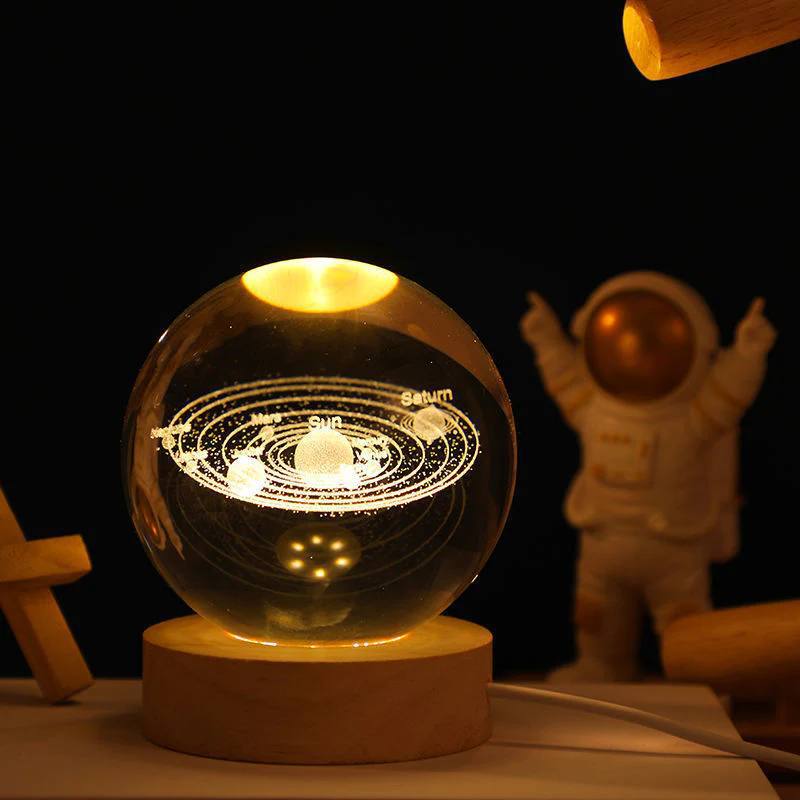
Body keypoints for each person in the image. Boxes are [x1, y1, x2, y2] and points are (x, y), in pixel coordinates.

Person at [520, 272, 776, 681]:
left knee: (684, 623)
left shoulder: (691, 420)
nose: (633, 350)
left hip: (672, 546)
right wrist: (546, 339)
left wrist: (748, 354)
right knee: (597, 613)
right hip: (604, 539)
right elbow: (564, 377)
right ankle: (601, 666)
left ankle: (695, 678)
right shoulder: (596, 411)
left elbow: (730, 394)